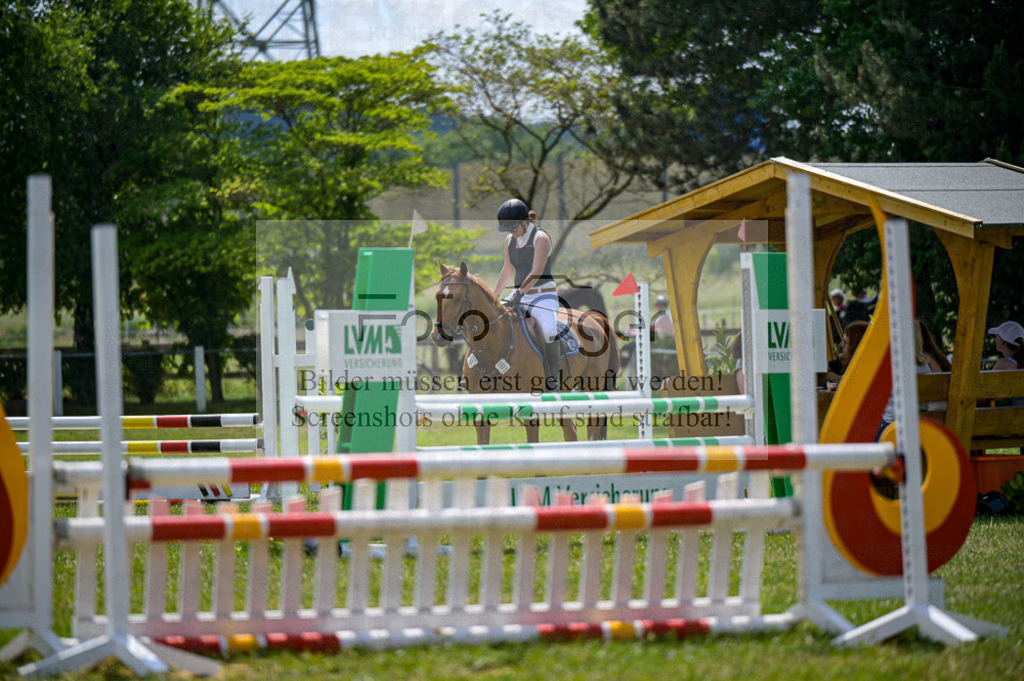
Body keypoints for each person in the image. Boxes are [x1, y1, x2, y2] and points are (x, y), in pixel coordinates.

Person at [493, 199, 561, 390]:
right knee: (494, 321)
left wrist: (520, 293)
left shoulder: (541, 238)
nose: (511, 232)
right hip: (519, 293)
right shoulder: (509, 240)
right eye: (507, 229)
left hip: (542, 295)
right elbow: (507, 270)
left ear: (524, 222)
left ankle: (552, 377)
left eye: (513, 228)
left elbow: (536, 271)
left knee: (549, 331)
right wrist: (494, 296)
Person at [826, 320, 869, 384]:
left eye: (845, 342)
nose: (842, 345)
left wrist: (828, 375)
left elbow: (851, 382)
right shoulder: (847, 358)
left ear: (855, 345)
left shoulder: (865, 366)